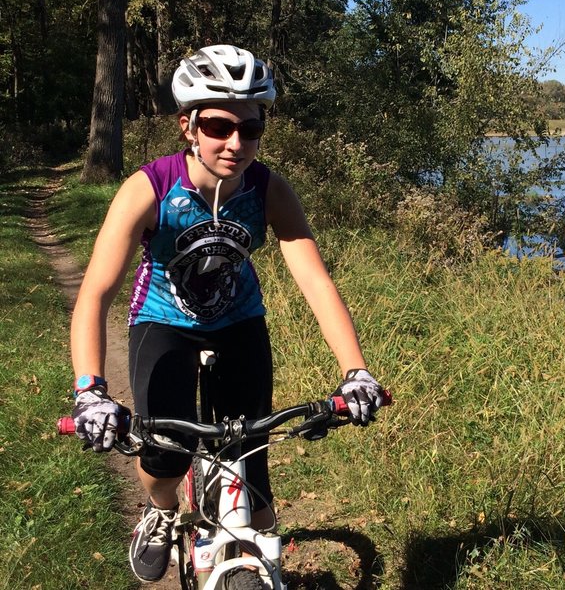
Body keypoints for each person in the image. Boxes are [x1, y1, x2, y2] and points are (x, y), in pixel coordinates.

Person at [69, 44, 385, 583]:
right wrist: (90, 390)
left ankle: (261, 565)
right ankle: (163, 512)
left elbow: (314, 280)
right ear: (187, 126)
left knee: (251, 459)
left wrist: (356, 371)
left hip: (239, 321)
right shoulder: (151, 189)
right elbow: (96, 293)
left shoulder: (268, 190)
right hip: (163, 320)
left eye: (251, 128)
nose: (236, 143)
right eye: (218, 125)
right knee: (164, 456)